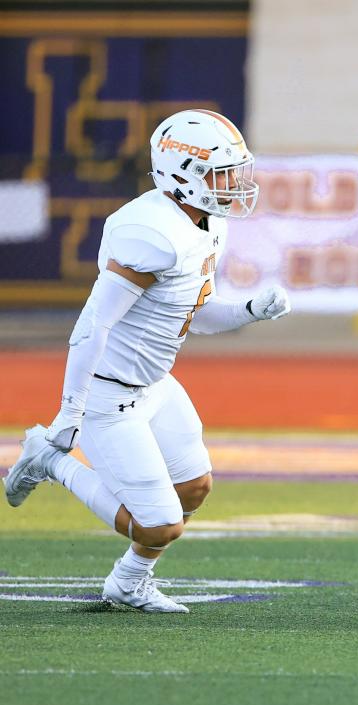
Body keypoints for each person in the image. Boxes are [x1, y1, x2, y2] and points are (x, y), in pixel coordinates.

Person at [3, 109, 291, 613]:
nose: (234, 184)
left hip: (153, 383)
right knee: (160, 523)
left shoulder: (205, 222)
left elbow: (194, 315)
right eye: (222, 172)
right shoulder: (151, 233)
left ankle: (127, 583)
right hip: (106, 391)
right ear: (183, 174)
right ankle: (49, 460)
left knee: (195, 489)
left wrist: (250, 312)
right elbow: (93, 327)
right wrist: (71, 413)